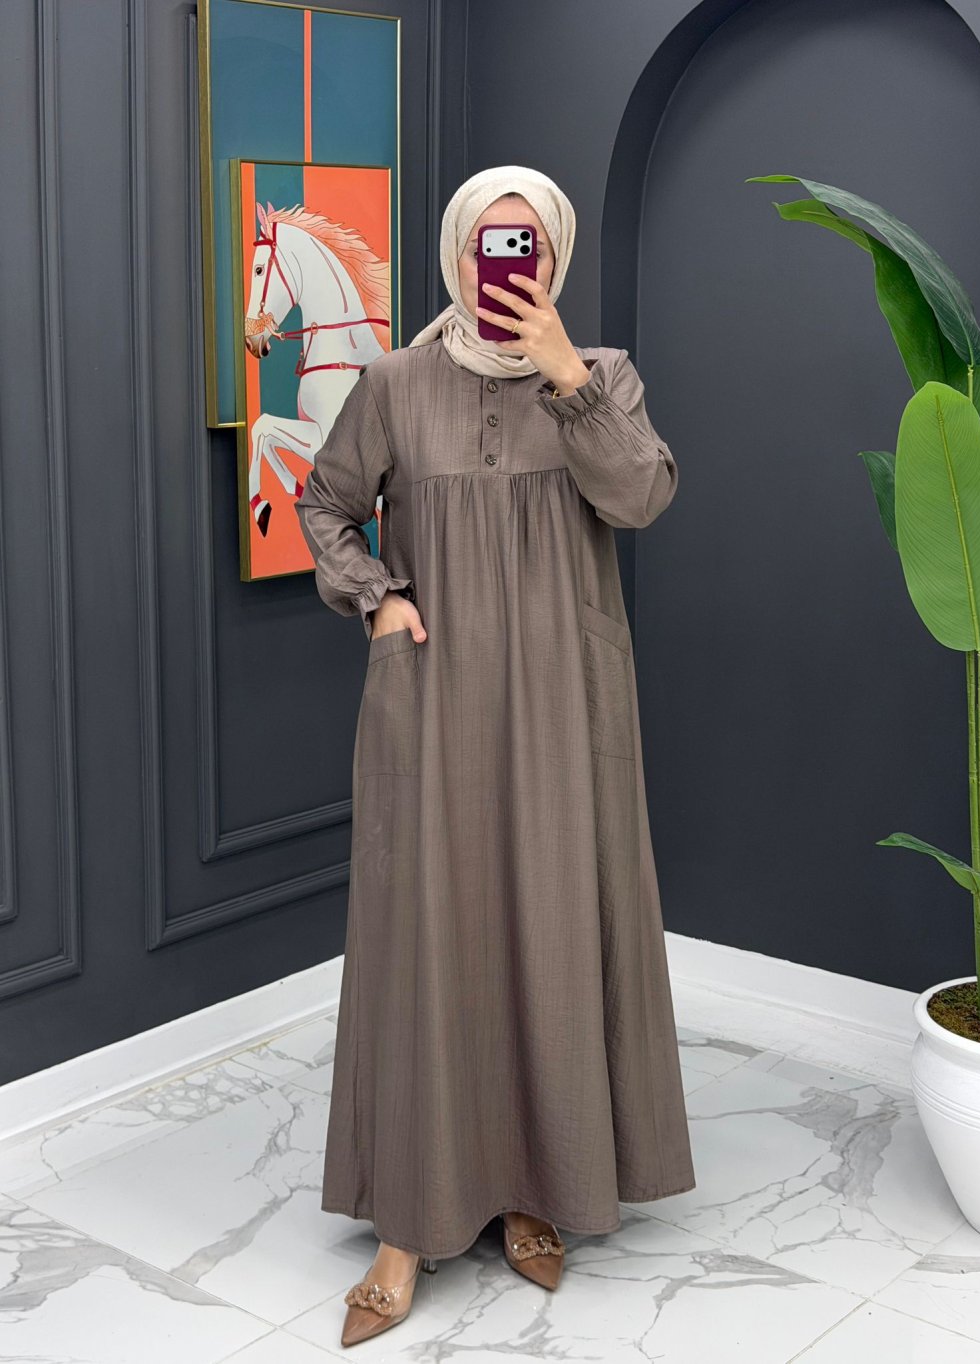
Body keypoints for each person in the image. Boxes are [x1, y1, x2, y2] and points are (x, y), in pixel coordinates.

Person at [295, 165, 696, 1349]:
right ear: (455, 253)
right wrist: (376, 594)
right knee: (431, 940)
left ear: (552, 259)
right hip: (433, 696)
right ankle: (407, 1225)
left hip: (567, 702)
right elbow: (325, 503)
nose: (499, 265)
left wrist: (568, 376)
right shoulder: (394, 382)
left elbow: (640, 498)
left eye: (524, 245)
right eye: (484, 243)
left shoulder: (603, 376)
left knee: (549, 931)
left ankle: (536, 1186)